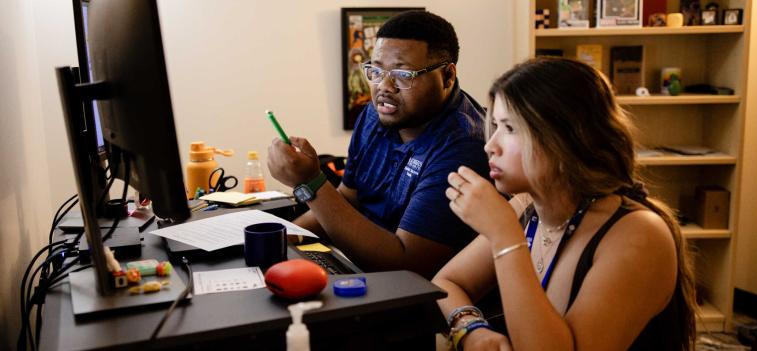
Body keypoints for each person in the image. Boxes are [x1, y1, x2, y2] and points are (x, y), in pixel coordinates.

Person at [433, 57, 696, 350]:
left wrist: (505, 237)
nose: (489, 145)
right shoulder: (526, 208)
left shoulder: (638, 234)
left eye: (510, 128)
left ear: (567, 136)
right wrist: (471, 328)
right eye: (494, 125)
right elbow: (446, 282)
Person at [267, 11, 489, 278]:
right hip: (353, 265)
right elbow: (348, 198)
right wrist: (283, 238)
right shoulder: (377, 114)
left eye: (403, 74)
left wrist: (311, 183)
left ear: (447, 76)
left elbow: (407, 266)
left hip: (412, 295)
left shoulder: (464, 145)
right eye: (376, 70)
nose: (384, 86)